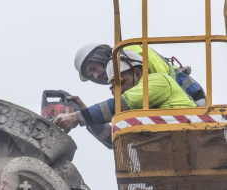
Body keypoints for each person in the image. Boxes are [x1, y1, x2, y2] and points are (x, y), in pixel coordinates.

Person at [54, 50, 196, 130]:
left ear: (137, 73)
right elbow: (111, 138)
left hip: (191, 134)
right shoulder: (141, 112)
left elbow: (124, 102)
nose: (120, 90)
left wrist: (77, 117)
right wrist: (84, 112)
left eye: (122, 82)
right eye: (115, 86)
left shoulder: (158, 81)